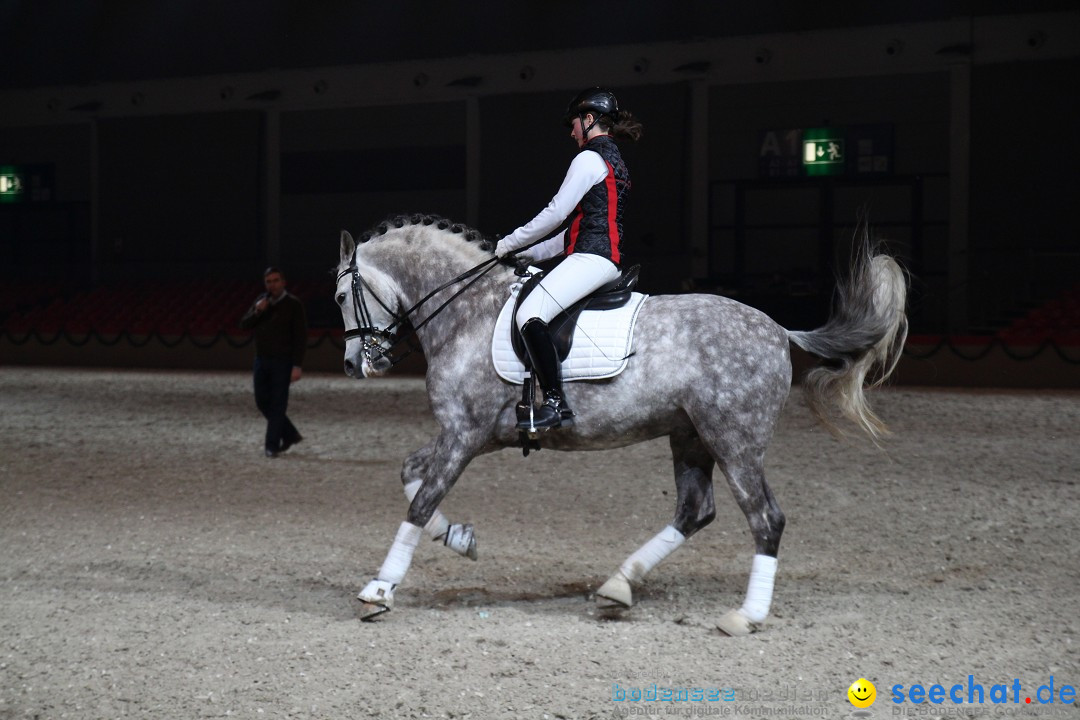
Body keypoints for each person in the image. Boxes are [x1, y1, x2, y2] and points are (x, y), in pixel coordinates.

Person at [495, 87, 643, 431]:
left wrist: (507, 243)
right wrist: (524, 253)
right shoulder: (614, 161)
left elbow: (555, 213)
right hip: (601, 256)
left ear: (589, 120)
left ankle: (555, 403)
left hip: (593, 258)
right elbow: (570, 234)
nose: (572, 131)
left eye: (574, 124)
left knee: (530, 314)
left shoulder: (589, 158)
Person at [239, 266, 308, 457]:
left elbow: (300, 338)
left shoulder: (294, 304)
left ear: (283, 282)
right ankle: (290, 434)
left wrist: (297, 365)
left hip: (283, 362)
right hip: (261, 360)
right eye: (269, 281)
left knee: (278, 404)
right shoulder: (261, 302)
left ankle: (272, 445)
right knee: (262, 401)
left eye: (276, 280)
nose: (273, 285)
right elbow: (244, 324)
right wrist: (257, 311)